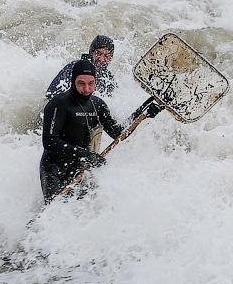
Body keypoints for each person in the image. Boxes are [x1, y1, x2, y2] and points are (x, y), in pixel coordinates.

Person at [40, 59, 161, 202]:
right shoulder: (58, 104)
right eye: (81, 84)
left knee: (82, 215)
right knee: (56, 213)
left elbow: (118, 134)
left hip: (81, 168)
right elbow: (49, 142)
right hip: (54, 169)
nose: (86, 89)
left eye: (91, 84)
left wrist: (143, 113)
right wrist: (86, 154)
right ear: (73, 81)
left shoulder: (97, 105)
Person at [45, 35, 116, 100]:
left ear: (110, 59)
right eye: (98, 53)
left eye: (106, 56)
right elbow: (50, 95)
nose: (101, 59)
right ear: (91, 52)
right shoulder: (74, 68)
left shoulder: (108, 79)